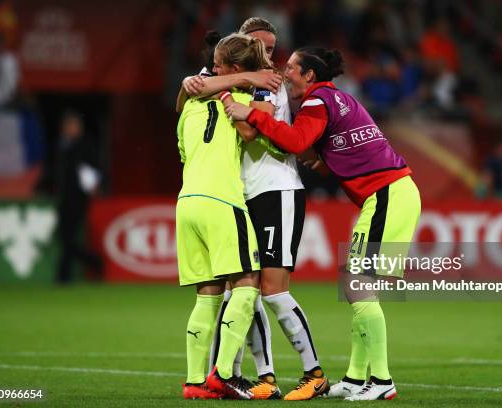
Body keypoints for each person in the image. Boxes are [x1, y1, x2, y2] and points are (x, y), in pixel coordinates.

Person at [225, 46, 421, 401]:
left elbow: (297, 141)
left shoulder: (316, 103)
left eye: (291, 68)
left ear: (309, 75)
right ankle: (355, 376)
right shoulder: (339, 99)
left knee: (357, 285)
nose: (285, 74)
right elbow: (343, 146)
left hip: (387, 194)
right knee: (357, 286)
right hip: (394, 192)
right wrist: (327, 159)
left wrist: (250, 115)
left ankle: (382, 380)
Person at [181, 17, 329, 401]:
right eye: (257, 44)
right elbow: (192, 87)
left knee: (272, 291)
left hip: (276, 190)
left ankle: (314, 372)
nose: (266, 53)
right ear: (241, 47)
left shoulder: (270, 83)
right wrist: (195, 83)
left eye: (270, 46)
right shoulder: (240, 78)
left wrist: (221, 91)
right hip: (240, 195)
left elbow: (249, 129)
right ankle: (265, 375)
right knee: (240, 290)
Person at [177, 32, 275, 400]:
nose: (211, 69)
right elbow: (252, 132)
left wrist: (200, 86)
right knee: (248, 283)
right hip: (223, 200)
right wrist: (244, 89)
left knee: (208, 293)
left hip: (186, 202)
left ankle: (194, 382)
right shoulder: (248, 98)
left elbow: (185, 148)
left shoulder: (188, 102)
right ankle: (222, 374)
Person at [55, 111, 102, 283]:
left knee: (68, 239)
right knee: (66, 239)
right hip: (64, 200)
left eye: (74, 125)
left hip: (77, 201)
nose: (71, 129)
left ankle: (64, 276)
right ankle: (91, 262)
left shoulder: (83, 147)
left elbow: (94, 173)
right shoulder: (62, 146)